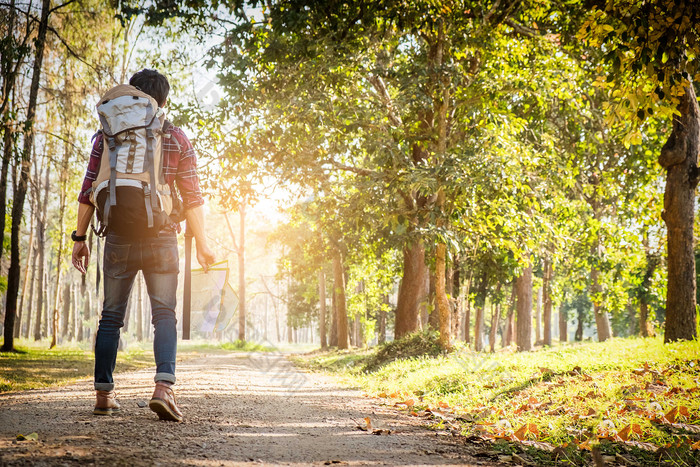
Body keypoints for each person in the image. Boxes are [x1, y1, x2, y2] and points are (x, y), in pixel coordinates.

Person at [71, 69, 215, 422]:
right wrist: (203, 245)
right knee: (164, 314)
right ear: (162, 101)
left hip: (117, 234)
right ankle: (164, 388)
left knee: (110, 317)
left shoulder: (106, 137)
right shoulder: (176, 137)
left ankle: (103, 395)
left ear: (135, 96)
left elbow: (89, 189)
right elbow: (193, 198)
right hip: (162, 235)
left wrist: (79, 239)